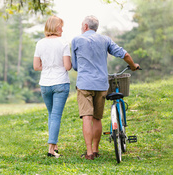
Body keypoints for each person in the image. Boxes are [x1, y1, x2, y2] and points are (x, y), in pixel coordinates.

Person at [71, 15, 139, 160]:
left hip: (84, 84)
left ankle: (89, 153)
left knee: (86, 117)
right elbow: (124, 54)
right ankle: (96, 149)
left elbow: (75, 66)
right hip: (101, 84)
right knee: (97, 118)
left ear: (85, 27)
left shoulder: (76, 40)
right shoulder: (105, 40)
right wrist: (133, 66)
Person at [33, 15, 72, 158]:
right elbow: (67, 66)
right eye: (61, 26)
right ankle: (51, 149)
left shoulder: (40, 43)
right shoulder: (63, 43)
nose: (62, 29)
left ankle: (54, 146)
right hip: (60, 82)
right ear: (56, 27)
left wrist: (48, 66)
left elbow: (36, 66)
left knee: (51, 115)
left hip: (45, 84)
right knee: (55, 115)